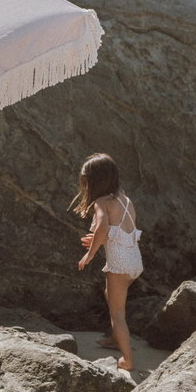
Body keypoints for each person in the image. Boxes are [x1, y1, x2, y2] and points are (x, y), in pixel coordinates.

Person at [70, 153, 143, 371]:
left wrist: (90, 254)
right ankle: (114, 338)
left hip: (119, 264)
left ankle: (127, 360)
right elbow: (121, 231)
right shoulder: (124, 199)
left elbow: (102, 227)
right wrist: (101, 239)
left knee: (117, 313)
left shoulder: (101, 202)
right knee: (110, 295)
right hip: (134, 262)